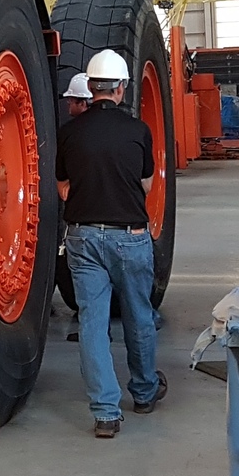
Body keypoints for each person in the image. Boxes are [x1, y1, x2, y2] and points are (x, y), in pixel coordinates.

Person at [56, 49, 164, 439]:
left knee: (92, 323)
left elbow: (63, 186)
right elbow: (147, 184)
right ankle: (145, 392)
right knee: (138, 315)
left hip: (83, 237)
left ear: (90, 87)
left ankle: (105, 412)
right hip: (129, 237)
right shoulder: (138, 131)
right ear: (121, 88)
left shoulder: (69, 133)